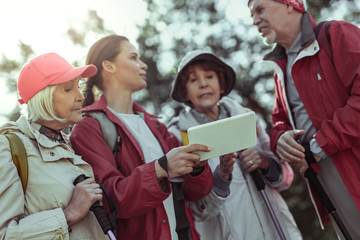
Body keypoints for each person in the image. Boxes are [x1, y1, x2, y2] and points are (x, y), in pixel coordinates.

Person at [69, 34, 214, 240]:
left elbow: (197, 192)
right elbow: (111, 200)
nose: (143, 65)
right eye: (133, 58)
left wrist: (197, 168)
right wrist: (161, 168)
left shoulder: (156, 125)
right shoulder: (88, 127)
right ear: (109, 66)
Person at [248, 0, 360, 238]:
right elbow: (279, 122)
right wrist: (280, 141)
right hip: (326, 182)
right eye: (252, 14)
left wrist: (320, 144)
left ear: (290, 4)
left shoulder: (336, 34)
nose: (254, 20)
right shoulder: (280, 71)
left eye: (260, 9)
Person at [167, 50, 302, 240]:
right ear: (184, 92)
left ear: (221, 85)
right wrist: (221, 177)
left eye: (209, 76)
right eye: (193, 80)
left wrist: (264, 163)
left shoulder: (247, 118)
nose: (203, 83)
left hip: (277, 230)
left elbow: (285, 178)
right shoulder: (179, 136)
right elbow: (197, 209)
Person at [0, 52, 108, 239]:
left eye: (78, 86)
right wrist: (69, 214)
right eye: (68, 89)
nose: (80, 96)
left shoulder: (71, 145)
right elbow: (4, 234)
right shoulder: (8, 147)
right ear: (43, 98)